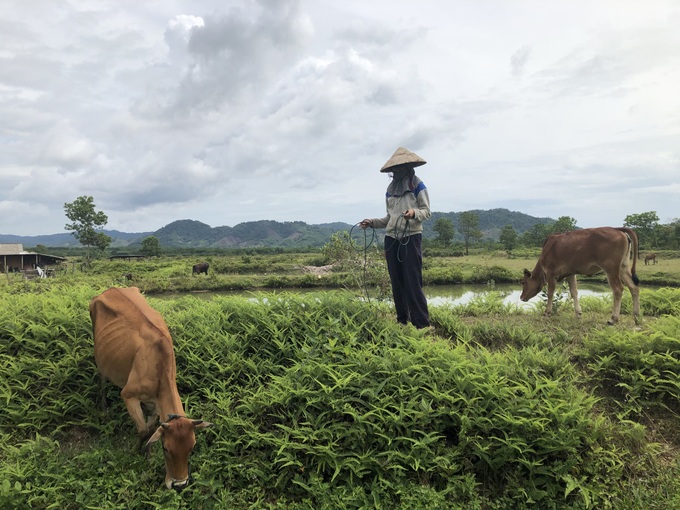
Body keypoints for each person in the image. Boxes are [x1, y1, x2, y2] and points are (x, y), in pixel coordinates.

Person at [360, 147, 432, 329]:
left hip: (411, 237)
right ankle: (402, 321)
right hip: (392, 240)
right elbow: (388, 218)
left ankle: (422, 324)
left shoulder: (417, 185)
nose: (397, 172)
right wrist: (372, 222)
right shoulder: (390, 190)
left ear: (408, 167)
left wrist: (413, 213)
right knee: (397, 282)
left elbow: (427, 211)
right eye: (395, 169)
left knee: (412, 281)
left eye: (401, 168)